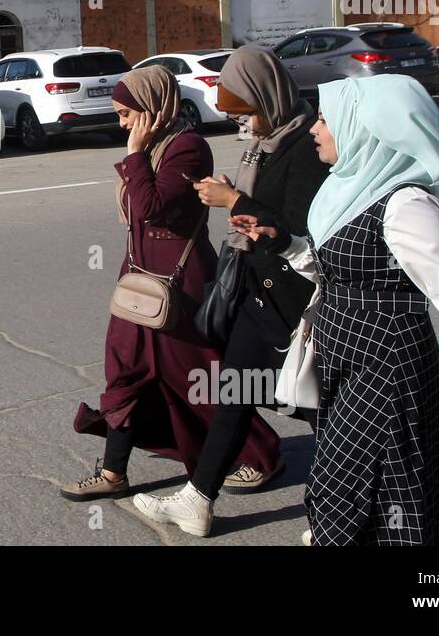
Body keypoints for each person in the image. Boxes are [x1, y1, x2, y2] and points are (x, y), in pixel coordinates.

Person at [231, 75, 439, 546]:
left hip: (388, 363)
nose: (315, 129)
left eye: (325, 119)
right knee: (378, 479)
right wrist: (284, 243)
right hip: (345, 356)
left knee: (358, 484)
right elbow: (337, 268)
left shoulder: (406, 203)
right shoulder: (348, 189)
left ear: (365, 127)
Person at [131, 46, 329, 537]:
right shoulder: (264, 144)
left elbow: (302, 227)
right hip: (256, 296)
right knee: (235, 396)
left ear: (269, 96)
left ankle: (340, 514)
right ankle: (197, 500)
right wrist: (236, 200)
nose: (247, 125)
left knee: (320, 408)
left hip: (294, 303)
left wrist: (237, 199)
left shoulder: (307, 146)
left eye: (250, 114)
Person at [62, 65, 281, 501]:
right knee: (125, 373)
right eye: (120, 115)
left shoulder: (188, 147)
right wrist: (139, 154)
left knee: (198, 377)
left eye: (127, 114)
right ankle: (113, 472)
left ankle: (261, 454)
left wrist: (136, 154)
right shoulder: (156, 147)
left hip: (180, 285)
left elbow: (150, 207)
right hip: (138, 282)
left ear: (153, 107)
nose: (123, 123)